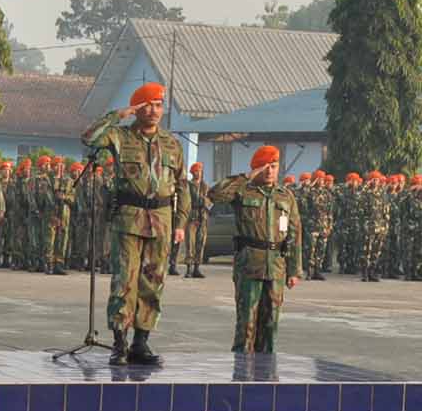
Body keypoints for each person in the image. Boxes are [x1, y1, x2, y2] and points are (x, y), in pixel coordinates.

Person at [82, 82, 189, 365]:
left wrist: (180, 223)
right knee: (124, 282)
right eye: (148, 105)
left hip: (162, 221)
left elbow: (182, 186)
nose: (154, 111)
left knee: (153, 284)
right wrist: (120, 114)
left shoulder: (172, 144)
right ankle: (120, 343)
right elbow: (90, 138)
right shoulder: (119, 137)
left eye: (158, 105)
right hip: (129, 219)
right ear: (138, 107)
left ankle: (141, 343)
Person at [207, 146, 303, 353]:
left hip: (276, 265)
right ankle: (241, 375)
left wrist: (294, 270)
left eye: (274, 167)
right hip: (249, 263)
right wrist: (246, 176)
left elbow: (294, 233)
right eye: (264, 167)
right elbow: (215, 193)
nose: (269, 171)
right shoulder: (243, 191)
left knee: (270, 324)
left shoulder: (285, 196)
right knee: (247, 323)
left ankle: (266, 376)